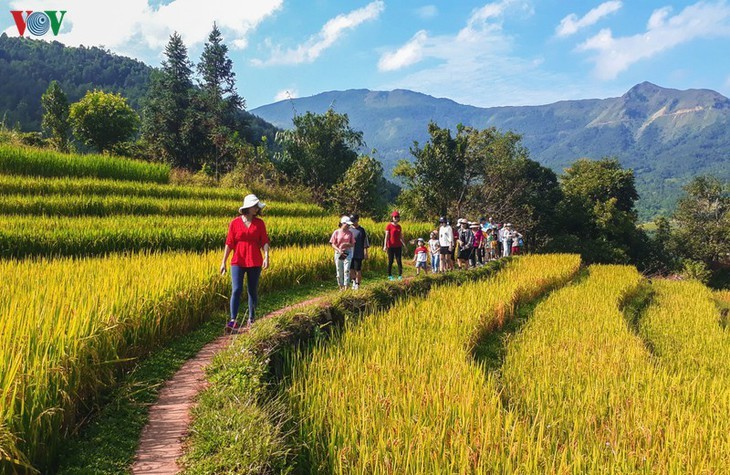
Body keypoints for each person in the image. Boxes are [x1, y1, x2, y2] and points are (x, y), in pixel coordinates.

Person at [220, 194, 270, 332]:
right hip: (238, 259)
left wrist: (266, 256)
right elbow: (229, 243)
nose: (256, 209)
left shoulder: (260, 223)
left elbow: (264, 241)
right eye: (254, 206)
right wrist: (223, 262)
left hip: (255, 260)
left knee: (251, 290)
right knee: (236, 289)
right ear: (248, 208)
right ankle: (233, 320)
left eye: (257, 207)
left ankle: (251, 318)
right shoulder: (234, 223)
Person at [330, 215, 354, 290]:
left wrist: (346, 244)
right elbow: (332, 243)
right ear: (343, 223)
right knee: (339, 271)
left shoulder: (350, 233)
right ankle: (341, 287)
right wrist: (338, 249)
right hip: (339, 253)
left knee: (346, 270)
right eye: (347, 224)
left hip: (347, 252)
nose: (348, 226)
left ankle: (346, 287)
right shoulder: (336, 232)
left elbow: (352, 244)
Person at [383, 210, 407, 280]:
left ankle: (400, 275)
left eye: (397, 217)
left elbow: (401, 237)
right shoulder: (389, 226)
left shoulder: (399, 226)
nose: (396, 218)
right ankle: (389, 275)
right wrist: (385, 246)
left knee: (399, 260)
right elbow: (386, 236)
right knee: (391, 261)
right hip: (391, 246)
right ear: (392, 218)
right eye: (395, 217)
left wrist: (404, 245)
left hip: (398, 246)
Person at [348, 214, 369, 290]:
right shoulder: (349, 229)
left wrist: (366, 252)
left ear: (357, 220)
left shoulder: (362, 230)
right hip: (350, 252)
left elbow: (365, 242)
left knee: (358, 269)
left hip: (359, 252)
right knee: (350, 268)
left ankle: (358, 283)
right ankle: (353, 281)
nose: (353, 223)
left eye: (354, 221)